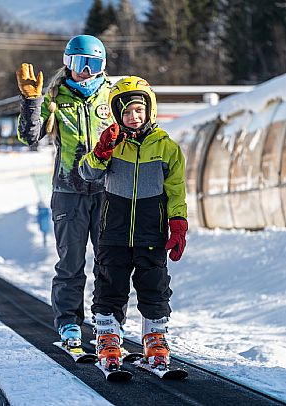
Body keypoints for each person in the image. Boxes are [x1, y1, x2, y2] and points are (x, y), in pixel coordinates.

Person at [79, 76, 188, 371]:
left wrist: (178, 224)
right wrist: (101, 152)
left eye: (139, 110)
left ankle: (155, 337)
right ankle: (108, 337)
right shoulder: (111, 145)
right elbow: (87, 173)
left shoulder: (168, 149)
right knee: (109, 284)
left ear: (149, 110)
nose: (133, 117)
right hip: (113, 233)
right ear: (117, 115)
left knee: (154, 285)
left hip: (152, 232)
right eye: (127, 112)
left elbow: (176, 191)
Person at [16, 35, 114, 347]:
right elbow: (29, 136)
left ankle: (108, 321)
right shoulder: (56, 98)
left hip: (107, 191)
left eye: (92, 65)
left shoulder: (113, 96)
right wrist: (33, 102)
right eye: (78, 64)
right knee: (71, 263)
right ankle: (69, 322)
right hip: (68, 191)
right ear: (66, 64)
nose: (85, 71)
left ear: (102, 67)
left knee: (109, 263)